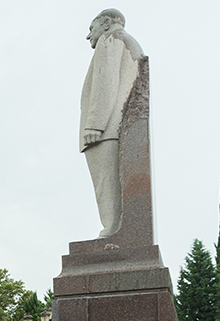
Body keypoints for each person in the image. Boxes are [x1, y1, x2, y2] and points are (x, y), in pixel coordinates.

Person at [79, 8, 145, 238]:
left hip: (105, 129)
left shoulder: (110, 39)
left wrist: (94, 124)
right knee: (113, 183)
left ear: (105, 23)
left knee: (105, 184)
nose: (89, 36)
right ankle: (115, 228)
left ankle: (111, 229)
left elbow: (105, 83)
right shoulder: (130, 43)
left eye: (91, 28)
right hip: (119, 125)